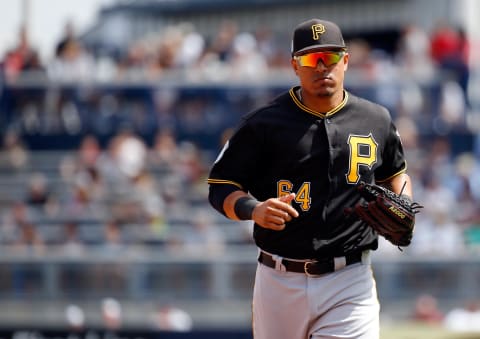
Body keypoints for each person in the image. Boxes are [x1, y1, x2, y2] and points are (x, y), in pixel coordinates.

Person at [207, 18, 415, 339]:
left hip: (349, 279)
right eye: (310, 59)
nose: (322, 67)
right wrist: (253, 209)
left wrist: (401, 204)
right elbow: (221, 187)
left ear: (345, 60)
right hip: (279, 280)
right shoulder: (263, 124)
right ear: (295, 66)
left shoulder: (376, 119)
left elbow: (396, 175)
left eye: (330, 57)